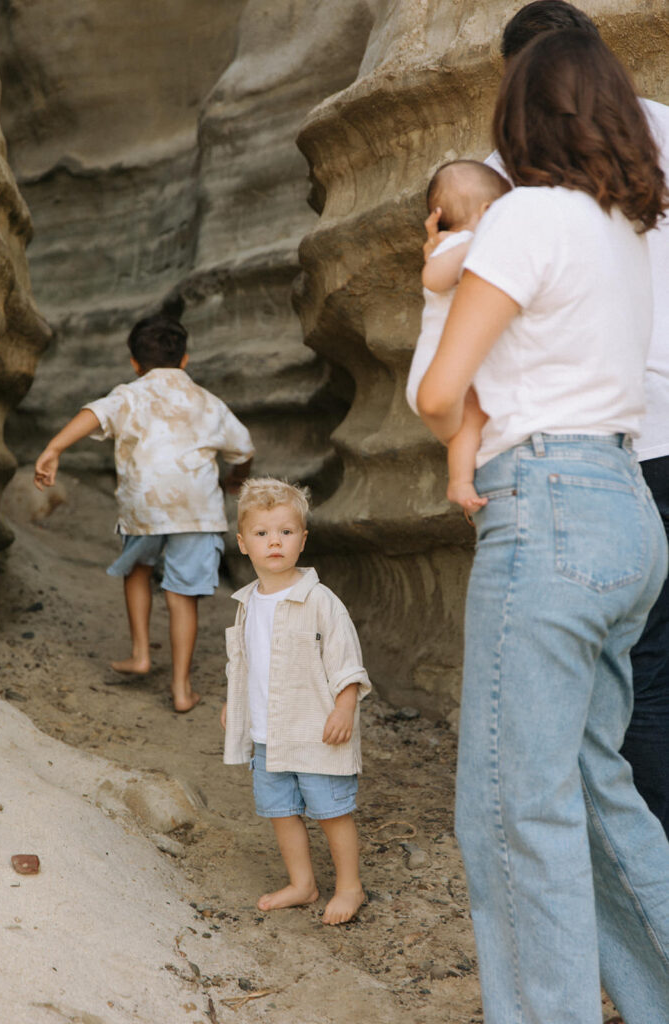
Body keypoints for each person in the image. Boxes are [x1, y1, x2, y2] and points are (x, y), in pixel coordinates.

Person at [417, 30, 669, 1024]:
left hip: (549, 507)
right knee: (595, 796)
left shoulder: (523, 220)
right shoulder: (620, 223)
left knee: (507, 811)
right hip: (622, 507)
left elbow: (442, 391)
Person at [34, 313, 254, 712]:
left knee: (137, 569)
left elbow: (94, 415)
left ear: (135, 362)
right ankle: (182, 690)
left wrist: (54, 448)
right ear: (185, 359)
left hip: (146, 505)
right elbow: (244, 448)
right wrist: (238, 477)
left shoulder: (129, 393)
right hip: (197, 509)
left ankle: (140, 653)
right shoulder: (208, 401)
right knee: (182, 595)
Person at [220, 478, 371, 925]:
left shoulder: (321, 601)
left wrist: (344, 706)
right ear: (243, 543)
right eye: (263, 534)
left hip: (315, 731)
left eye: (285, 532)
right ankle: (302, 884)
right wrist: (236, 705)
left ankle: (350, 887)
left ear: (302, 540)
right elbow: (243, 662)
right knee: (282, 812)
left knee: (332, 812)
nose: (274, 542)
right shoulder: (247, 603)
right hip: (268, 733)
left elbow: (347, 661)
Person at [406, 160, 510, 514]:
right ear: (488, 211)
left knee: (475, 419)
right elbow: (434, 277)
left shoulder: (460, 242)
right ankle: (459, 482)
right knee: (473, 416)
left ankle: (464, 483)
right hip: (436, 369)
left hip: (447, 369)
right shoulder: (460, 242)